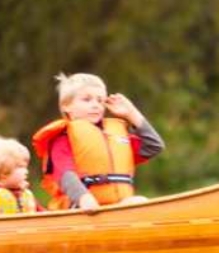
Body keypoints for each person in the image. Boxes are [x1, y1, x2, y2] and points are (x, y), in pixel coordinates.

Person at [31, 73, 164, 210]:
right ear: (66, 106)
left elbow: (153, 146)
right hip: (81, 208)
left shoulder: (113, 135)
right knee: (138, 202)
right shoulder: (62, 139)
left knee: (139, 201)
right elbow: (65, 175)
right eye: (87, 100)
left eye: (100, 101)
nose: (96, 105)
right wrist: (84, 198)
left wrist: (131, 113)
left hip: (117, 207)